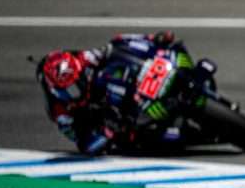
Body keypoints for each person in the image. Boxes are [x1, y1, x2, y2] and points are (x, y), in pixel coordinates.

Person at [36, 31, 208, 154]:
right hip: (117, 127)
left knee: (121, 44)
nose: (77, 87)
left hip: (123, 90)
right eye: (70, 88)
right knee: (143, 143)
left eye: (78, 80)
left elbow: (116, 46)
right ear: (56, 90)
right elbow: (85, 145)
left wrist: (152, 40)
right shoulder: (60, 113)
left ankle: (170, 70)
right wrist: (107, 131)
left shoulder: (83, 59)